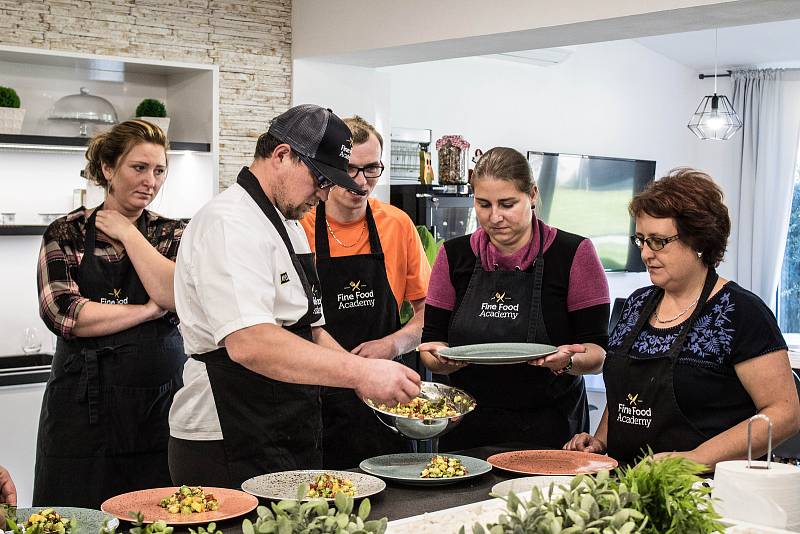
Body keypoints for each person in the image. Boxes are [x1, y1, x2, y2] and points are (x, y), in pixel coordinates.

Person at [168, 105, 421, 488]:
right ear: (282, 155)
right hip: (226, 434)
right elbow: (250, 344)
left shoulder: (288, 225)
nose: (325, 192)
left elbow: (312, 329)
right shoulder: (230, 223)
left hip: (286, 425)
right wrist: (362, 373)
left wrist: (372, 382)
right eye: (321, 178)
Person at [564, 168, 800, 468]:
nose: (646, 254)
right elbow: (627, 394)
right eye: (641, 240)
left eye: (658, 241)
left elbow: (784, 414)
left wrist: (695, 459)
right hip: (626, 485)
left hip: (704, 493)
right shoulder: (637, 304)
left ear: (699, 241)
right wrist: (601, 441)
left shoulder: (741, 313)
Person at [34, 120, 186, 507]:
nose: (150, 180)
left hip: (158, 414)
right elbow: (66, 314)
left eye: (159, 170)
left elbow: (171, 293)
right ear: (108, 169)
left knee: (156, 519)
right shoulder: (65, 233)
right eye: (138, 167)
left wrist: (128, 232)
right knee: (73, 519)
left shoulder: (173, 233)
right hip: (82, 415)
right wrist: (147, 310)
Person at [419, 147, 610, 451]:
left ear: (532, 195)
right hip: (469, 428)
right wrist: (445, 361)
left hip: (552, 429)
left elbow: (598, 354)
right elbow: (431, 346)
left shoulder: (574, 254)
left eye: (507, 204)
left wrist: (569, 360)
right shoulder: (453, 256)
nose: (494, 217)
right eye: (483, 204)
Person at [300, 116, 431, 469]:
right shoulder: (301, 227)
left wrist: (394, 344)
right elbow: (298, 324)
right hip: (320, 397)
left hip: (388, 396)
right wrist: (351, 368)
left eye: (371, 169)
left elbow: (428, 313)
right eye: (350, 169)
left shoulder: (398, 225)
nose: (360, 182)